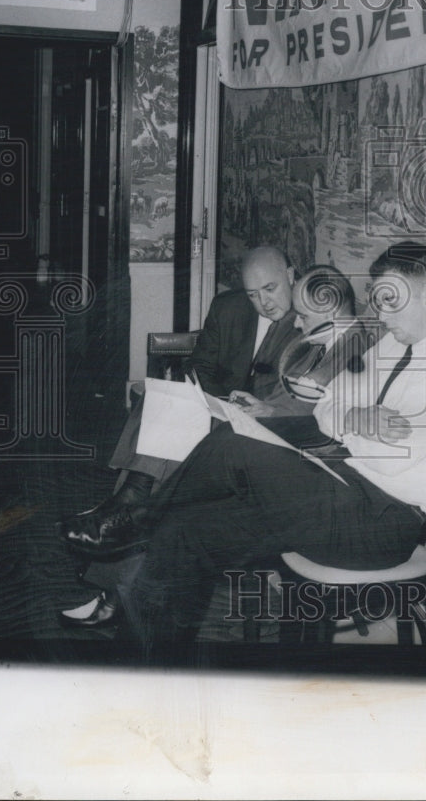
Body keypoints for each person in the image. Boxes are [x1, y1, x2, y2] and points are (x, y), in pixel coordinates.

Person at [95, 242, 426, 656]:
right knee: (187, 532)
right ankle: (140, 668)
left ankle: (140, 518)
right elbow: (328, 409)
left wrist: (351, 422)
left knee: (234, 443)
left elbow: (391, 455)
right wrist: (355, 418)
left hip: (382, 524)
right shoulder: (389, 345)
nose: (382, 315)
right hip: (341, 493)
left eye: (391, 302)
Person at [58, 263, 369, 630]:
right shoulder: (329, 335)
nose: (295, 324)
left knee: (173, 440)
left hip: (297, 462)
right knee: (166, 416)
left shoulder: (351, 341)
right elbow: (297, 397)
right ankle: (126, 528)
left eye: (301, 316)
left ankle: (123, 533)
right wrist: (259, 406)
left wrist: (266, 411)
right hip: (271, 433)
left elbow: (318, 416)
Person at [56, 245, 300, 551]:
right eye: (253, 294)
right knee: (164, 399)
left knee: (174, 421)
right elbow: (200, 367)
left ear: (290, 276)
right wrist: (218, 403)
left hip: (263, 427)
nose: (263, 303)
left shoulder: (308, 321)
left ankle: (124, 510)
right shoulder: (229, 307)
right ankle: (128, 508)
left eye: (270, 289)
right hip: (222, 409)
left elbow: (292, 399)